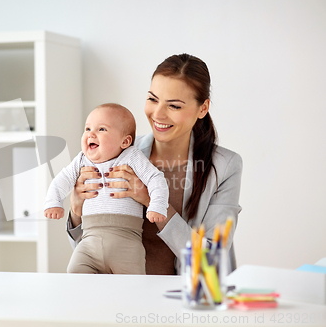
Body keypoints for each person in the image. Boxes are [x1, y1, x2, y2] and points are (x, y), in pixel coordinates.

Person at [66, 54, 243, 275]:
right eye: (152, 99)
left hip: (184, 300)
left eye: (174, 106)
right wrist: (76, 208)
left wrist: (152, 199)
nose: (157, 114)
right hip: (120, 293)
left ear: (203, 108)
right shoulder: (118, 152)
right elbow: (89, 253)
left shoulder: (224, 166)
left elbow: (211, 261)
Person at [44, 103, 169, 274]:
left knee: (132, 289)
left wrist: (157, 205)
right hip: (89, 242)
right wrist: (54, 202)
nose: (91, 134)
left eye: (101, 129)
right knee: (74, 273)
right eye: (87, 128)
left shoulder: (131, 156)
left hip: (127, 242)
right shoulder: (81, 160)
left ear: (125, 141)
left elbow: (155, 178)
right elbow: (61, 180)